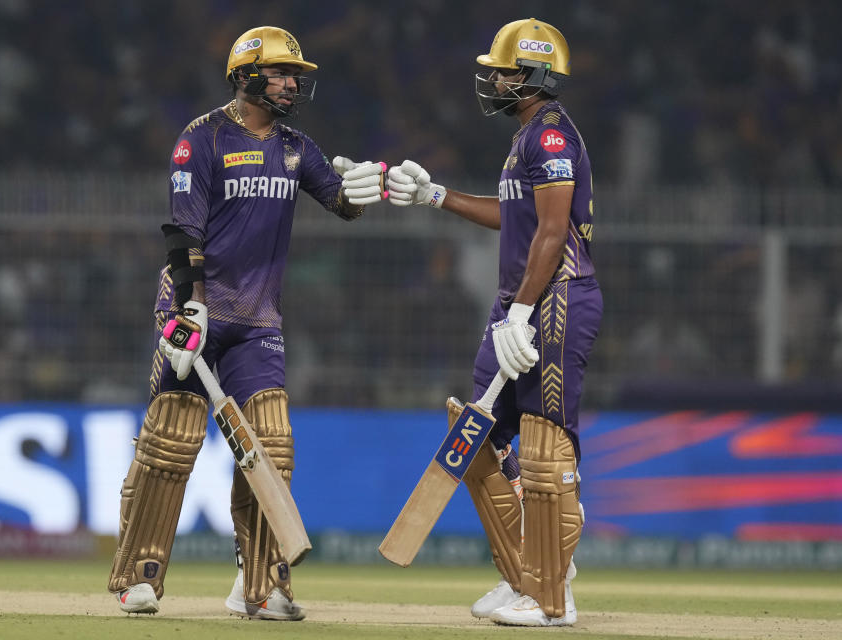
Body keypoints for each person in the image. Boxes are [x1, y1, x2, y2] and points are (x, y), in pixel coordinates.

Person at [106, 25, 385, 620]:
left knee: (273, 447)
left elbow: (342, 202)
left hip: (257, 321)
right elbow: (182, 234)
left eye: (295, 76)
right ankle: (140, 576)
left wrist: (363, 190)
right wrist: (189, 308)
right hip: (193, 311)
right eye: (282, 73)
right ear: (245, 76)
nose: (292, 83)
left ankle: (258, 586)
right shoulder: (200, 140)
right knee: (170, 445)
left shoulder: (296, 147)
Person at [385, 18, 602, 627]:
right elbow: (515, 217)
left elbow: (554, 233)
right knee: (482, 436)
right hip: (521, 302)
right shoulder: (526, 136)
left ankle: (552, 591)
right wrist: (437, 197)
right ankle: (524, 572)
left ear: (533, 73)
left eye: (505, 71)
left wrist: (524, 312)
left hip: (555, 300)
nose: (495, 80)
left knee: (544, 445)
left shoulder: (552, 136)